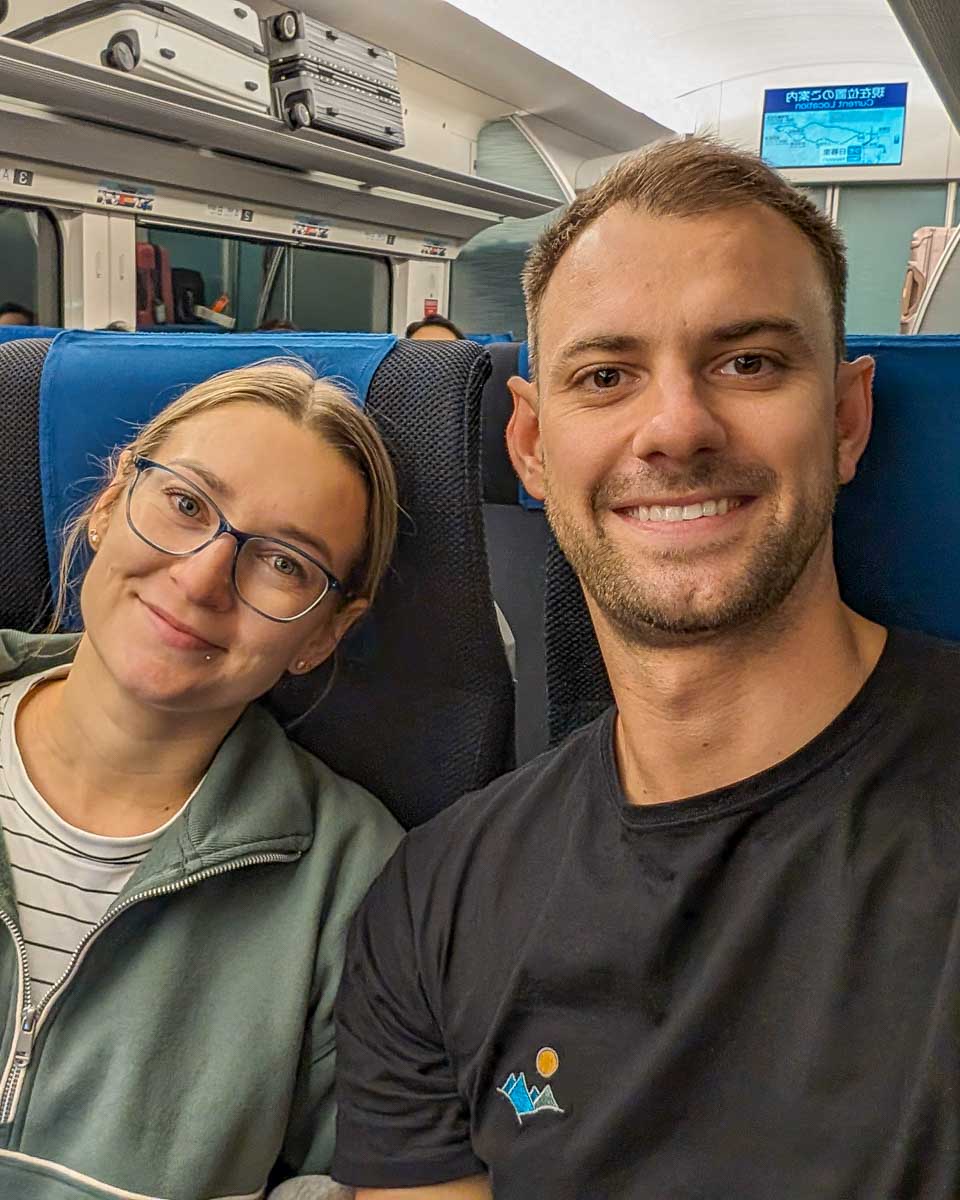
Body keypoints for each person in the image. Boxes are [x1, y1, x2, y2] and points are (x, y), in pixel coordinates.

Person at [332, 136, 960, 1199]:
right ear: (532, 447)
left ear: (846, 419)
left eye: (749, 362)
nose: (674, 426)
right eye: (607, 375)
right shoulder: (430, 905)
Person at [0, 361, 402, 1197]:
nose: (200, 579)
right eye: (185, 505)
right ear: (111, 502)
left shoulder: (358, 882)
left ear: (324, 636)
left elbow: (370, 1177)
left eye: (284, 563)